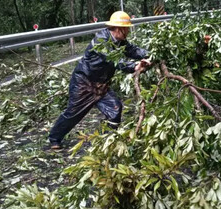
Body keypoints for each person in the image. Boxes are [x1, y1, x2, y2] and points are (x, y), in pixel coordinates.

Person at [48, 11, 151, 149]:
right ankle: (54, 138)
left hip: (101, 85)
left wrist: (150, 54)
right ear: (117, 28)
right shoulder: (101, 41)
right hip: (84, 83)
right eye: (126, 28)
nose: (128, 32)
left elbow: (133, 50)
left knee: (115, 109)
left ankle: (107, 140)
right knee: (73, 113)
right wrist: (134, 66)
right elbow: (113, 59)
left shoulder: (120, 41)